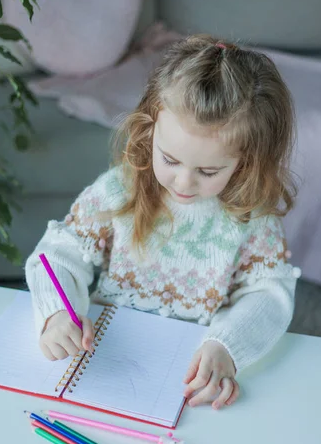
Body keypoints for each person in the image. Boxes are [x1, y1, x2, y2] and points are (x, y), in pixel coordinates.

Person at [25, 34, 301, 410]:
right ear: (149, 129)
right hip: (102, 359)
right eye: (169, 160)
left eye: (208, 170)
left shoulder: (251, 215)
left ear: (247, 161)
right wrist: (58, 313)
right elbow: (57, 255)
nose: (183, 182)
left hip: (191, 375)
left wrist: (227, 346)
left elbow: (269, 292)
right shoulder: (119, 190)